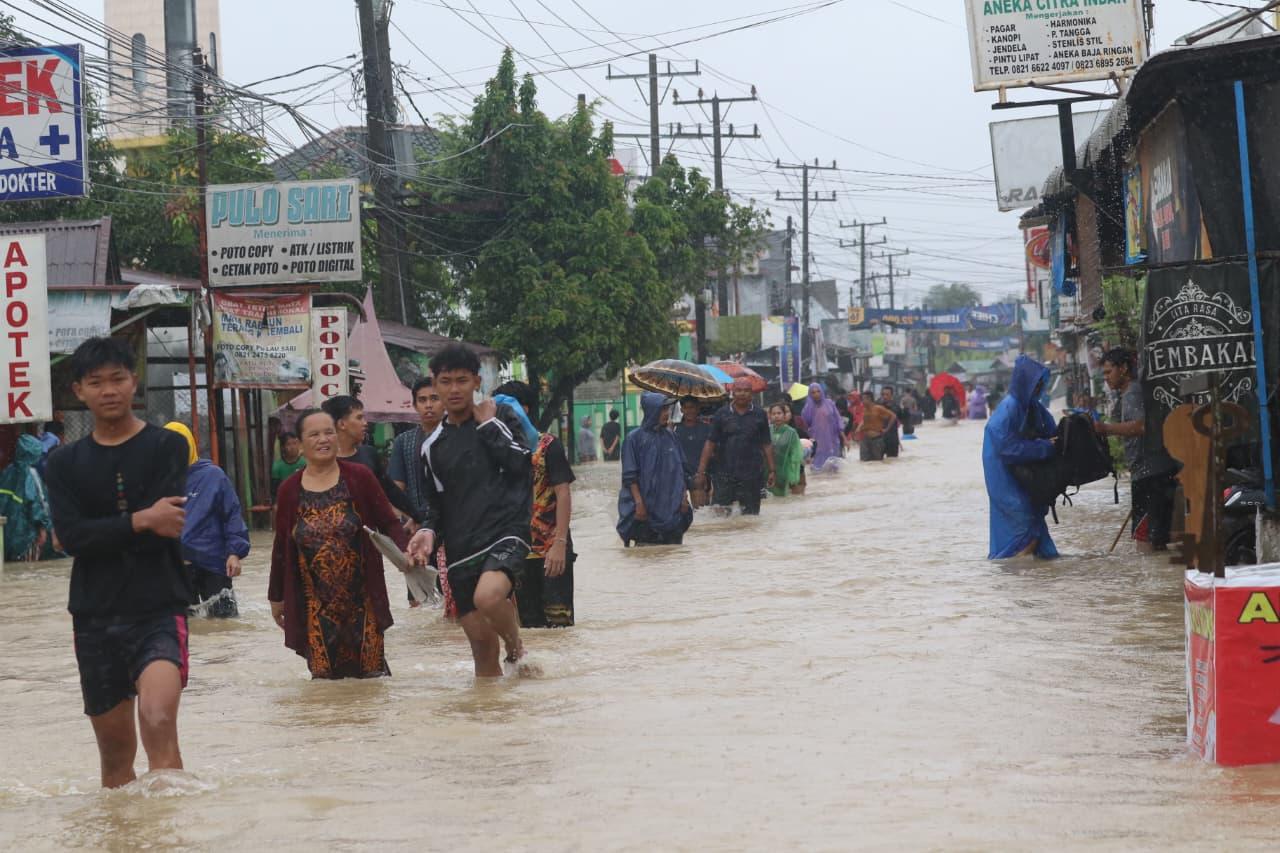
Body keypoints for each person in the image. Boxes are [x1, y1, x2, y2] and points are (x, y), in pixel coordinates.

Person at [45, 337, 193, 788]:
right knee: (115, 758)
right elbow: (71, 539)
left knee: (157, 716)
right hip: (93, 616)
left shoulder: (167, 445)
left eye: (117, 379)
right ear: (79, 391)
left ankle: (169, 833)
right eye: (96, 382)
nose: (108, 390)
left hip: (159, 608)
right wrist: (141, 520)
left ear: (134, 383)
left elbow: (169, 523)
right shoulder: (62, 463)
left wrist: (117, 528)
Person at [407, 345, 534, 678]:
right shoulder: (431, 446)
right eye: (445, 381)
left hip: (506, 532)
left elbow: (522, 466)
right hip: (462, 549)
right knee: (481, 651)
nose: (453, 389)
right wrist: (427, 532)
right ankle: (490, 717)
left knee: (489, 598)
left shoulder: (499, 418)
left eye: (461, 380)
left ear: (477, 381)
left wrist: (488, 425)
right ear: (434, 383)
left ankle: (516, 645)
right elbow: (435, 507)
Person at [269, 409, 408, 679]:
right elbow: (281, 548)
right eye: (314, 434)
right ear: (299, 443)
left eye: (328, 432)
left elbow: (389, 523)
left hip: (363, 603)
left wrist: (407, 554)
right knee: (325, 689)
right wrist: (276, 597)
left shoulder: (360, 477)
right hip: (315, 608)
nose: (323, 439)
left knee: (371, 681)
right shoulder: (289, 490)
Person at [491, 381, 576, 628]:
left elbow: (563, 493)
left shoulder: (548, 445)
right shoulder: (494, 449)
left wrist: (560, 544)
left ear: (523, 409)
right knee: (528, 628)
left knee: (558, 624)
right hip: (514, 551)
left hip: (551, 549)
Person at [163, 422, 249, 619]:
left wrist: (234, 553)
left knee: (225, 623)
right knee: (187, 626)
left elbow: (232, 515)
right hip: (177, 565)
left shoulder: (213, 476)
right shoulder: (160, 480)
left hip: (214, 563)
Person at [1096, 348, 1176, 551]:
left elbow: (1141, 426)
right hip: (1151, 472)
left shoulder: (1132, 392)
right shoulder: (1131, 392)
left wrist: (1105, 429)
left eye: (1108, 372)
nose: (1106, 378)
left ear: (1123, 369)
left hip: (1150, 473)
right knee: (1153, 539)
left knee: (1146, 543)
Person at [983, 354, 1059, 560]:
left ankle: (1024, 570)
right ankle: (1016, 566)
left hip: (1024, 474)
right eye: (1035, 383)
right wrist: (1044, 447)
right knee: (1023, 524)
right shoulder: (1009, 409)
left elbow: (1051, 431)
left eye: (1040, 384)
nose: (1038, 388)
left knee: (1033, 522)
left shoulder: (1034, 407)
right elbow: (1006, 448)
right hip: (1002, 474)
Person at [321, 395, 423, 528]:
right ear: (341, 424)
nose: (365, 423)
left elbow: (391, 491)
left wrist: (419, 518)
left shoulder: (368, 454)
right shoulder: (324, 462)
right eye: (359, 418)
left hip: (370, 536)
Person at [618, 392, 692, 545]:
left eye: (667, 410)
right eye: (663, 410)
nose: (666, 414)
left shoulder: (672, 437)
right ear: (652, 411)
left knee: (673, 555)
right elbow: (630, 476)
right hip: (646, 510)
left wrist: (684, 497)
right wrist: (639, 503)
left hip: (672, 509)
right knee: (647, 554)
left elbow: (681, 470)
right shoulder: (634, 439)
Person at [695, 378, 776, 516]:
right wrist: (701, 472)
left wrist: (772, 470)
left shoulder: (760, 414)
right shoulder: (721, 414)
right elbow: (710, 443)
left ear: (751, 394)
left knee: (750, 517)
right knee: (720, 516)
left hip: (751, 474)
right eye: (738, 390)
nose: (742, 394)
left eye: (746, 391)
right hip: (724, 474)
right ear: (732, 392)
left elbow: (766, 444)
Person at [0, 433, 52, 562]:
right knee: (29, 568)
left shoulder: (7, 471)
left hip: (7, 532)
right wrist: (43, 528)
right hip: (27, 534)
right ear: (34, 453)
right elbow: (38, 505)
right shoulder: (31, 475)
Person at [674, 397, 713, 506]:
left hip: (700, 476)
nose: (689, 411)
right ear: (681, 410)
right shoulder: (674, 430)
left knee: (701, 513)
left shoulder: (707, 428)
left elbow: (712, 452)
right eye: (685, 408)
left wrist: (703, 474)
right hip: (680, 475)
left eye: (692, 407)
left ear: (698, 409)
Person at [803, 383, 843, 473]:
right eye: (813, 392)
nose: (816, 394)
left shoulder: (829, 403)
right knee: (817, 469)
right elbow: (805, 426)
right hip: (817, 441)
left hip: (831, 441)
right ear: (810, 394)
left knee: (833, 469)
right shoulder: (807, 408)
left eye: (818, 391)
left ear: (822, 392)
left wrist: (844, 438)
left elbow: (838, 420)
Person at [768, 403, 804, 497]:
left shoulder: (791, 433)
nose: (776, 416)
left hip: (785, 471)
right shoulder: (767, 431)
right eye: (773, 414)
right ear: (770, 416)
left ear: (784, 415)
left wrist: (793, 475)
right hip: (769, 471)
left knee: (784, 497)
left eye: (779, 413)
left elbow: (796, 454)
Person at [858, 396, 897, 461]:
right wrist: (858, 428)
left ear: (869, 399)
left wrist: (887, 429)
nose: (862, 402)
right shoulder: (864, 409)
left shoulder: (878, 408)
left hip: (876, 440)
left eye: (863, 400)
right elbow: (863, 420)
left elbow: (893, 416)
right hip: (865, 440)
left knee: (877, 462)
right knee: (863, 462)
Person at [271, 431, 306, 499]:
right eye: (288, 444)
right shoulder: (277, 466)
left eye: (294, 443)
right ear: (283, 447)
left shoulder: (305, 463)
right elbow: (275, 491)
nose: (292, 447)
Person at [880, 387, 904, 458]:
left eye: (887, 394)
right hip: (879, 439)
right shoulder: (878, 405)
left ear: (892, 395)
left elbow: (902, 420)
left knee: (892, 461)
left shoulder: (896, 407)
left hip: (892, 439)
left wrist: (906, 411)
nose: (885, 396)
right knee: (878, 461)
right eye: (883, 394)